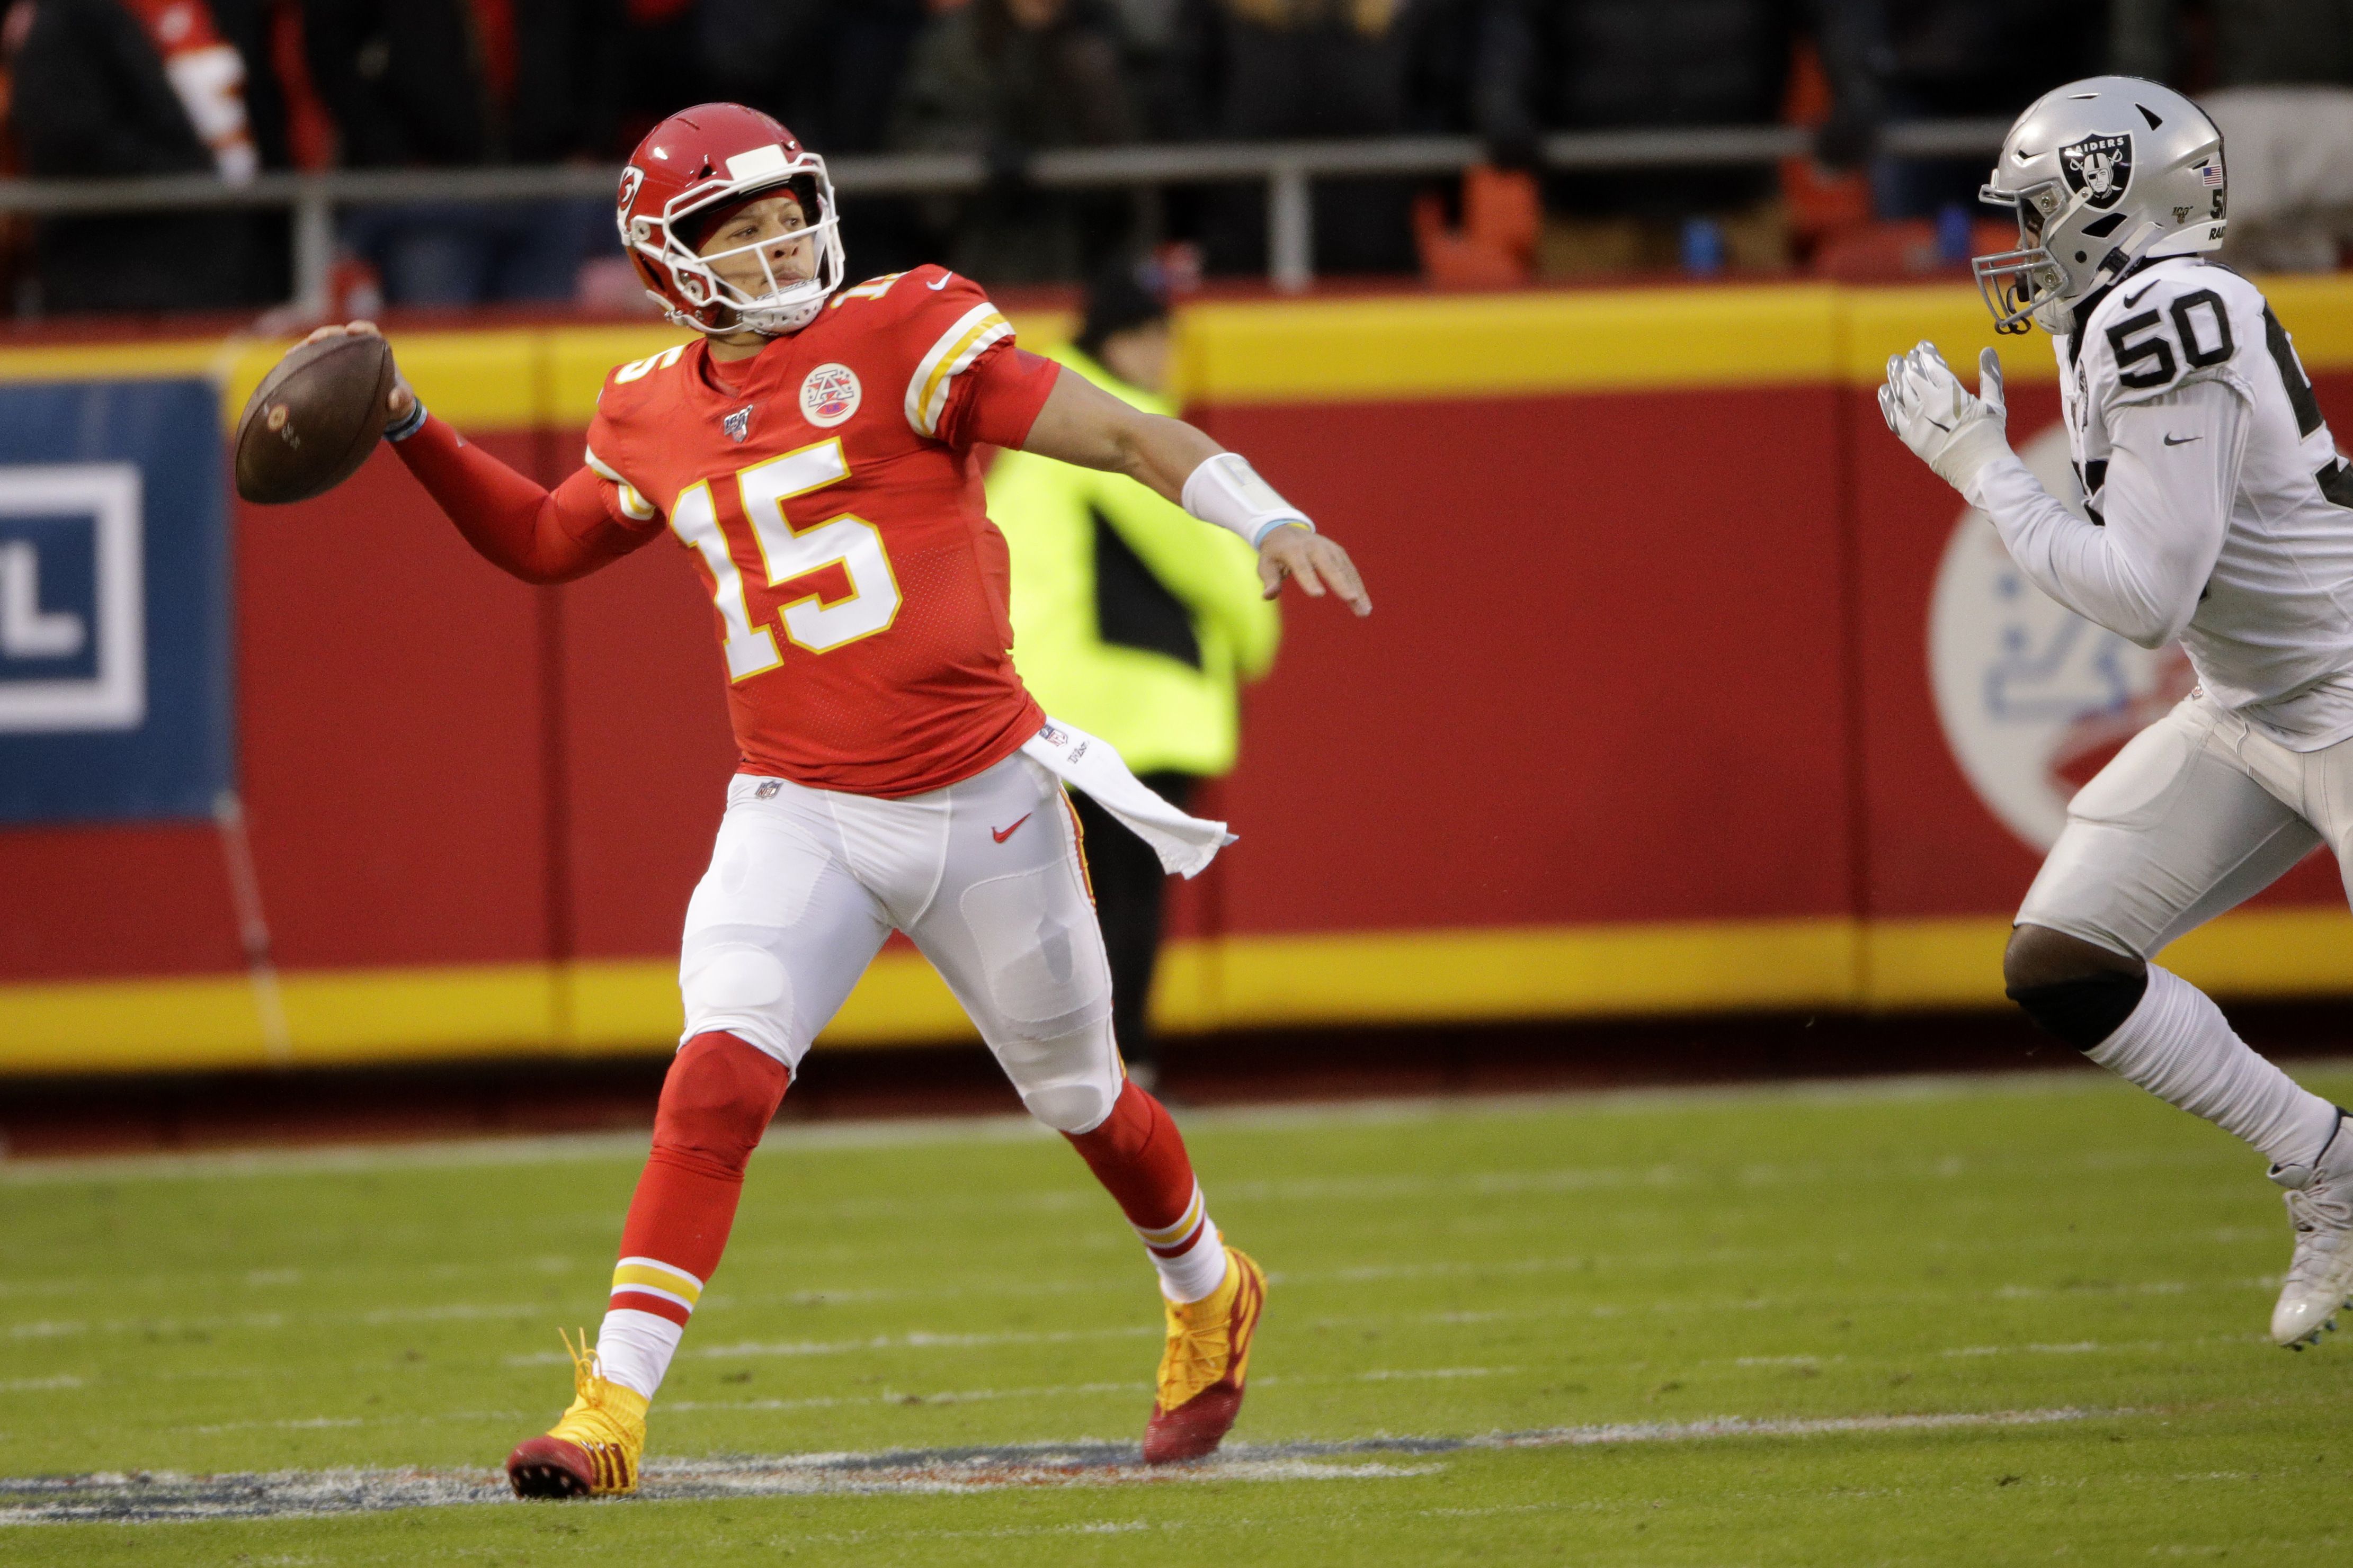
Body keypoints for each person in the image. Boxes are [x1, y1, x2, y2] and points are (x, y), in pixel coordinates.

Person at [281, 101, 1369, 1497]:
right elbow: (548, 540)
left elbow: (1115, 431)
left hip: (984, 799)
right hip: (800, 810)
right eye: (739, 232)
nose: (782, 246)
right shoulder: (648, 405)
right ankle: (608, 1410)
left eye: (790, 215)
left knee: (1089, 1097)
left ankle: (1210, 1288)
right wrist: (410, 425)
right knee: (719, 1074)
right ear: (671, 264)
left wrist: (1257, 509)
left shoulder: (906, 330)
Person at [1881, 75, 2353, 1351]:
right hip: (2254, 704)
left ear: (2108, 198)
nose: (2026, 242)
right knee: (2063, 959)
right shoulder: (2121, 320)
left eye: (2040, 209)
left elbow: (2144, 596)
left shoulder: (2171, 309)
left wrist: (1980, 468)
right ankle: (2326, 1162)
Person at [988, 264, 1280, 1091]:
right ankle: (1120, 1069)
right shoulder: (1119, 426)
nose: (1166, 356)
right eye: (1156, 338)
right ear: (1125, 342)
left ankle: (1081, 1069)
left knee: (1069, 904)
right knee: (1126, 898)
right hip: (1131, 706)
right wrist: (1257, 632)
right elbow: (1211, 557)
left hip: (1046, 710)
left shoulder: (1035, 432)